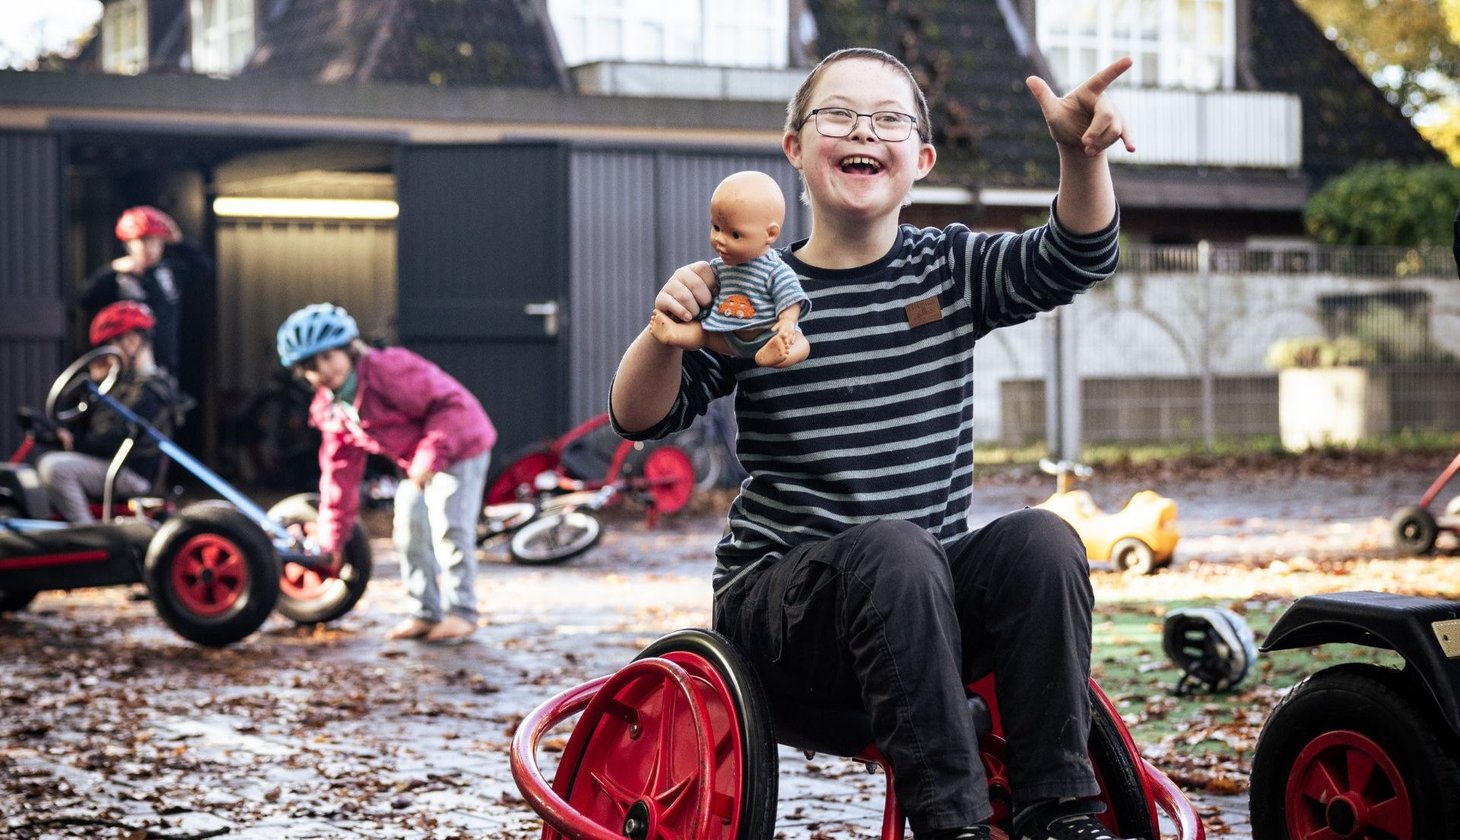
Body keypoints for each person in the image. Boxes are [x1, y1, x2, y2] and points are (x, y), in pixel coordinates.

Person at [610, 47, 1134, 840]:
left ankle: (1059, 813)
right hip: (783, 616)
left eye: (889, 120)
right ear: (795, 147)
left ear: (921, 160)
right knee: (896, 548)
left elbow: (1076, 256)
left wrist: (1079, 155)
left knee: (1043, 540)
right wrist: (662, 334)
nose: (865, 131)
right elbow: (639, 417)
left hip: (917, 605)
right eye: (841, 115)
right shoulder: (752, 297)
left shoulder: (949, 271)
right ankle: (954, 825)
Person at [276, 303, 496, 643]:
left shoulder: (388, 369)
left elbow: (451, 405)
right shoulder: (333, 409)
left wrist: (428, 458)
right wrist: (332, 543)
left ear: (349, 348)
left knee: (449, 527)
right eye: (310, 367)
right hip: (417, 463)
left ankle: (462, 613)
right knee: (408, 530)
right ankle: (424, 613)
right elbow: (338, 478)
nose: (324, 370)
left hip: (461, 444)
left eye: (328, 357)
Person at [38, 302, 185, 523]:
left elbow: (113, 438)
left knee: (55, 468)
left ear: (132, 341)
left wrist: (75, 441)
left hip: (131, 472)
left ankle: (87, 532)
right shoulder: (122, 384)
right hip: (109, 465)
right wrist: (95, 387)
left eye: (109, 345)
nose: (105, 356)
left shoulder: (151, 390)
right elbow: (89, 423)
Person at [649, 170, 811, 368]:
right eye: (716, 228)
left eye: (735, 235)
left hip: (767, 333)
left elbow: (791, 298)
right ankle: (675, 333)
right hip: (727, 332)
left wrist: (787, 321)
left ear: (770, 234)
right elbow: (709, 297)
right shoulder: (719, 267)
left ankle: (774, 354)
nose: (719, 239)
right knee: (703, 335)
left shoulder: (775, 270)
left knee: (800, 344)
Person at [79, 205, 213, 376]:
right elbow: (84, 299)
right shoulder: (117, 277)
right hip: (127, 364)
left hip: (166, 364)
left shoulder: (169, 272)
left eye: (157, 242)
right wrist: (111, 270)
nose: (151, 248)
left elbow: (204, 268)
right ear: (129, 244)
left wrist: (180, 242)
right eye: (144, 241)